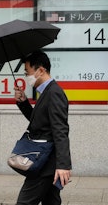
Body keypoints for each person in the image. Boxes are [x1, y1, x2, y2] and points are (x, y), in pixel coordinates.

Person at [13, 50, 72, 205]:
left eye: (28, 72)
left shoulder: (54, 93)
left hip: (45, 165)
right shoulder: (46, 91)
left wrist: (63, 165)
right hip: (47, 163)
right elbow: (40, 123)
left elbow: (60, 130)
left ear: (40, 70)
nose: (27, 77)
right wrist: (23, 102)